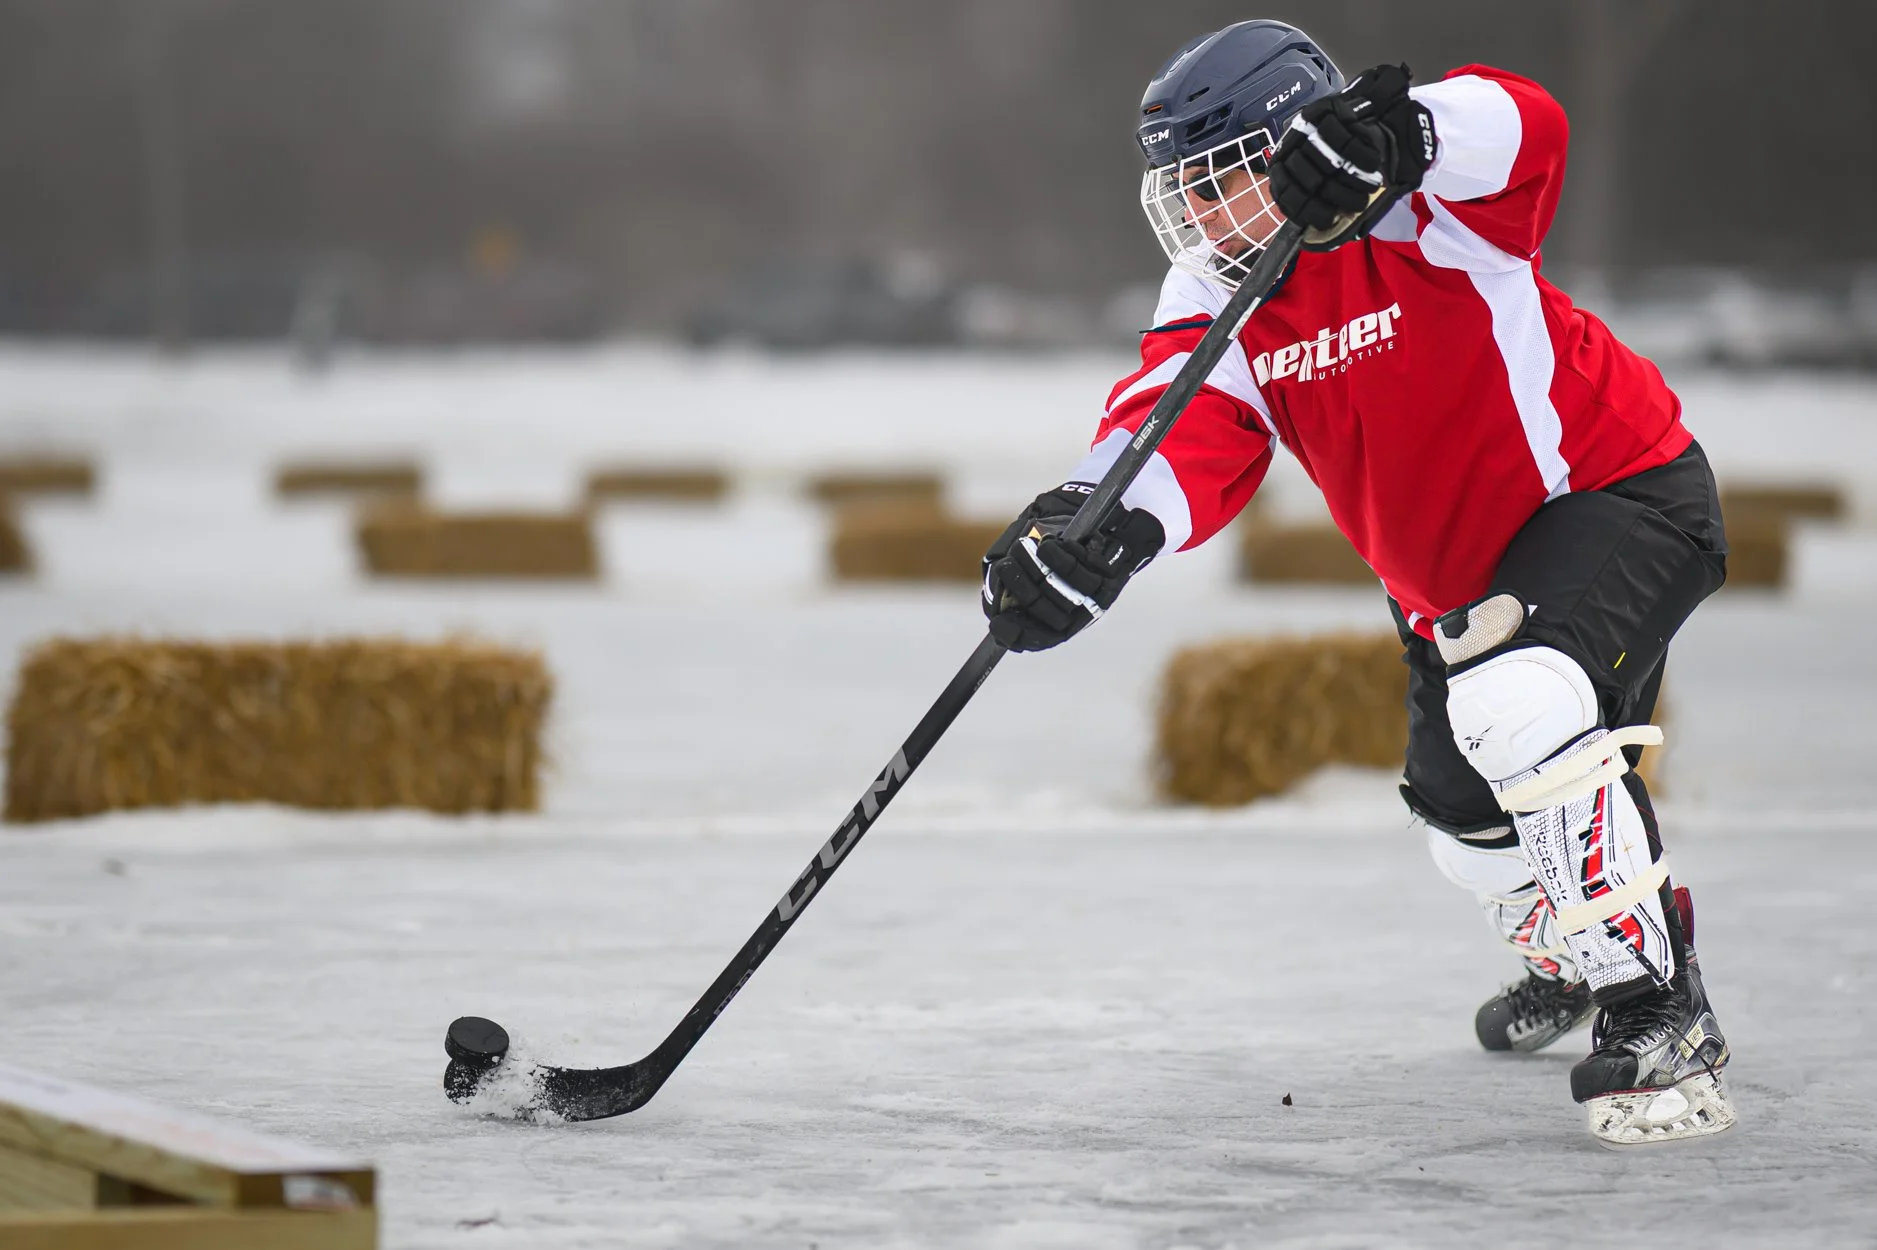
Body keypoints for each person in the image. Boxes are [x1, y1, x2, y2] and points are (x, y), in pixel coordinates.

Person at [980, 19, 1734, 1146]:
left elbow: (1527, 128)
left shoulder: (1425, 207)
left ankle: (1657, 1007)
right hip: (1450, 588)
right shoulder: (1218, 286)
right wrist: (1090, 532)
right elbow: (1176, 423)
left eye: (1217, 184)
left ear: (1290, 143)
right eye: (1180, 196)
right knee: (1458, 825)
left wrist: (1399, 134)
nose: (1199, 220)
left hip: (1615, 497)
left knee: (1515, 702)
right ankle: (1571, 946)